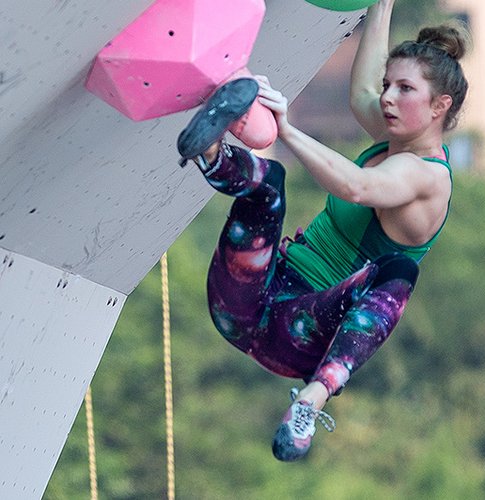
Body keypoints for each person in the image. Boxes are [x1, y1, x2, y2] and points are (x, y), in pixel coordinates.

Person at [174, 0, 469, 461]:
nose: (388, 97)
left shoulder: (428, 178)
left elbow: (356, 186)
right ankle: (211, 152)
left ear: (439, 106)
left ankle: (313, 399)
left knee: (397, 272)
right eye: (390, 85)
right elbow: (362, 94)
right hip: (243, 303)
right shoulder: (392, 136)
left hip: (298, 336)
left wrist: (285, 129)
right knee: (268, 185)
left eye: (404, 89)